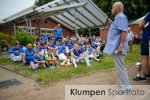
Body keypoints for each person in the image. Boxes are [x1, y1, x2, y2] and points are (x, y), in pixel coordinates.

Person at [103, 2, 131, 90]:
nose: (111, 9)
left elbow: (124, 31)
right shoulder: (118, 18)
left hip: (118, 46)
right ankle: (124, 85)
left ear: (118, 8)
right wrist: (109, 24)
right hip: (116, 46)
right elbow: (117, 29)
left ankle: (126, 87)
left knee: (120, 68)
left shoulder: (121, 17)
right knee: (119, 68)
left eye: (112, 7)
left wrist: (121, 46)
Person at [133, 12, 150, 81]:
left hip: (146, 37)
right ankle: (148, 72)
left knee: (144, 57)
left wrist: (144, 30)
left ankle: (142, 75)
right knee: (148, 56)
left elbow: (141, 25)